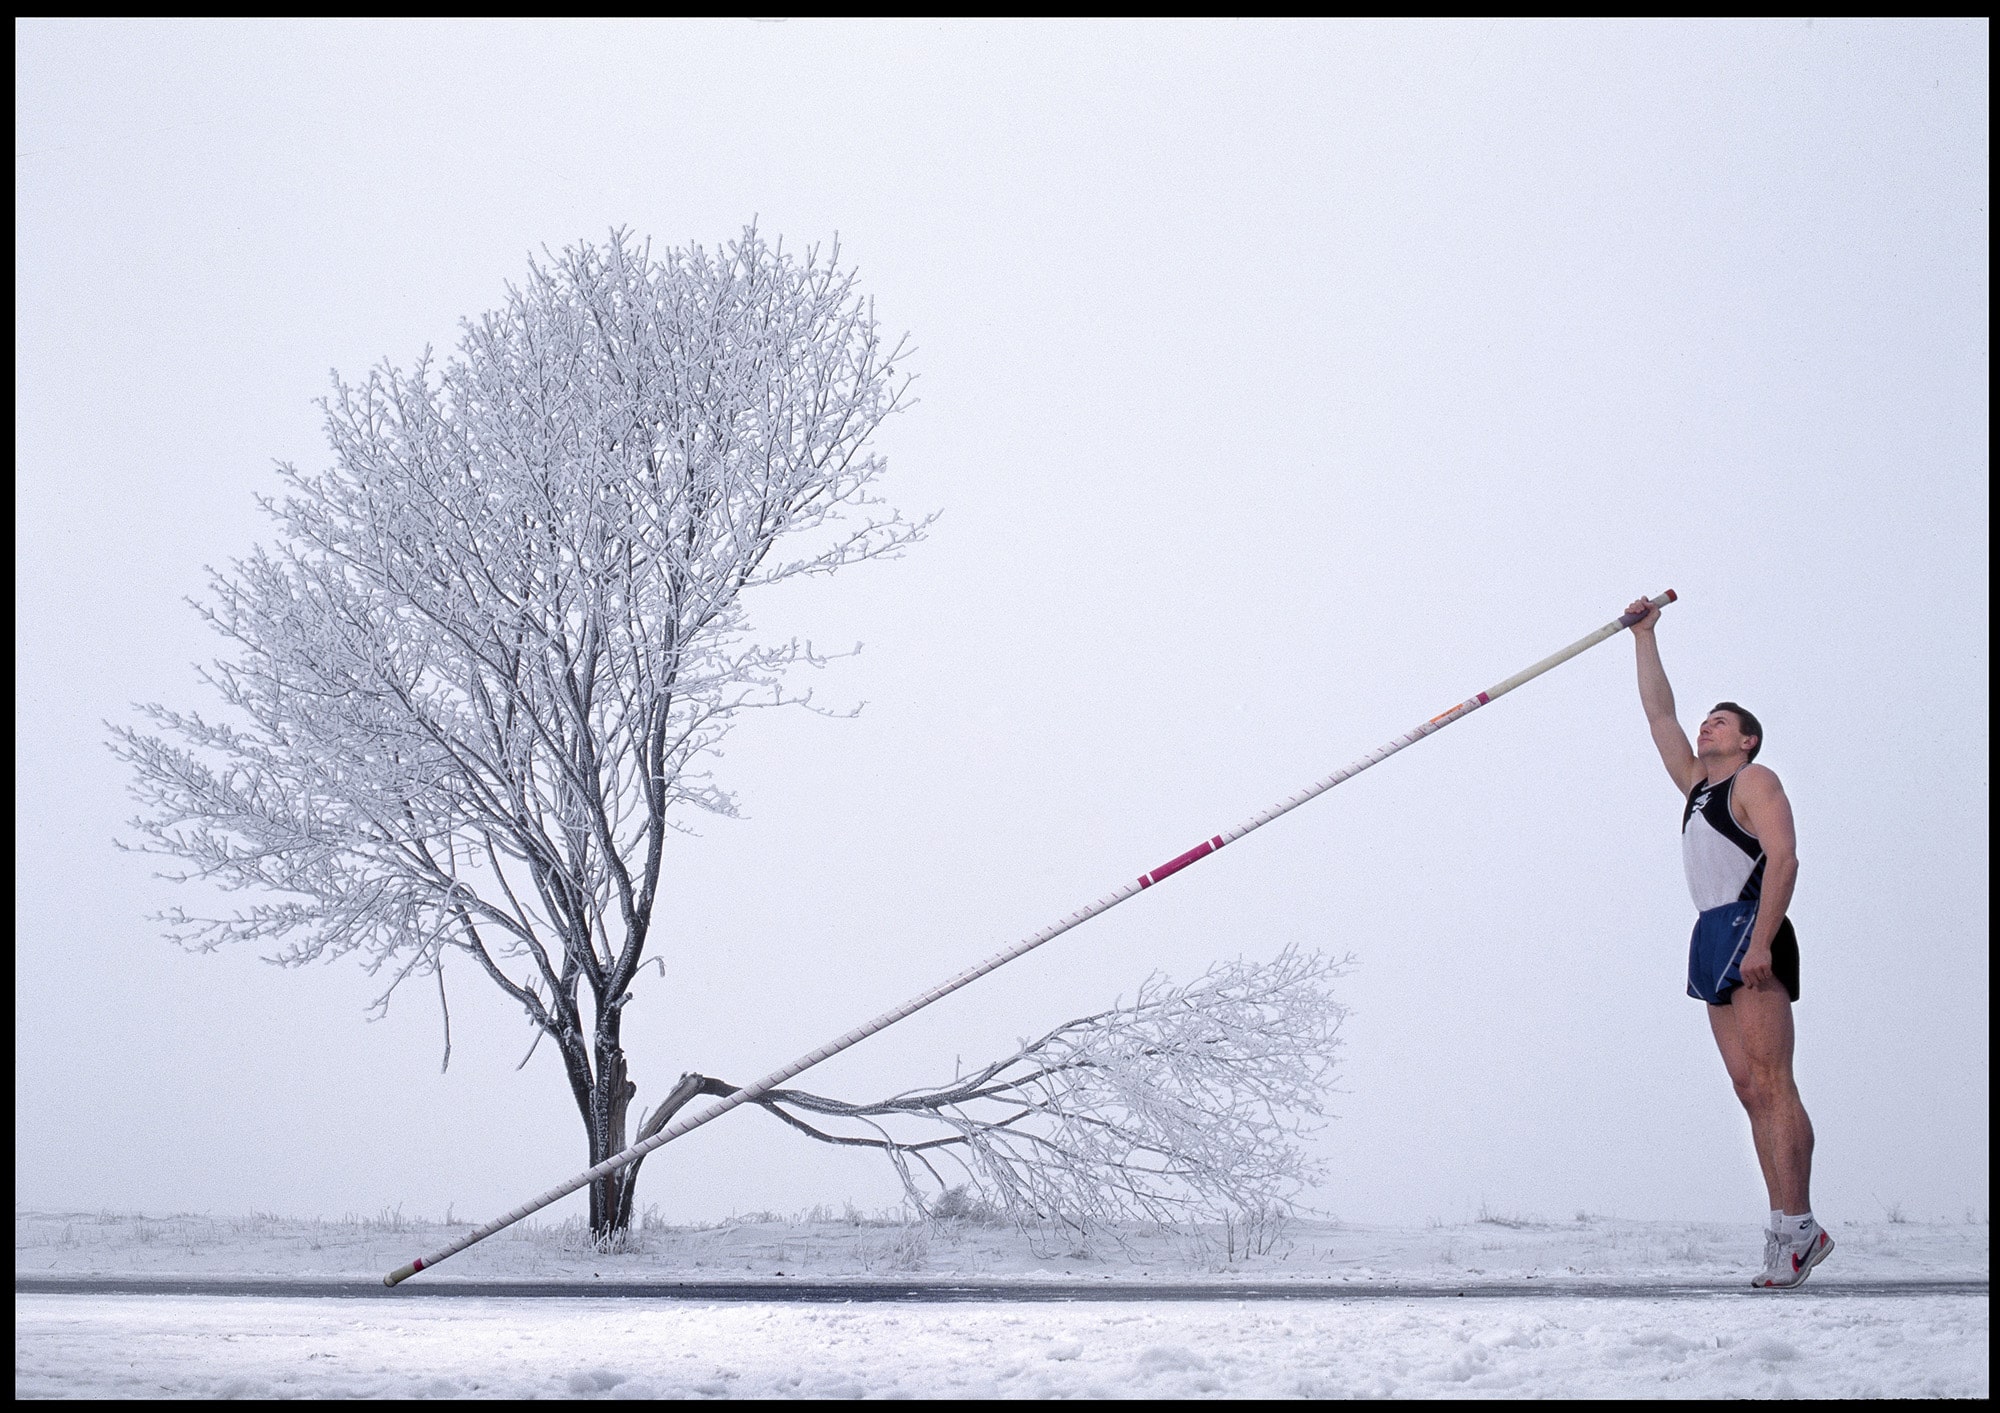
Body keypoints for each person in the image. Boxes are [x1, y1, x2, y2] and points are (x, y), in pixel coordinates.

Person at [1627, 597, 1833, 1289]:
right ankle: (1789, 1225)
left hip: (1752, 923)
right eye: (1708, 718)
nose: (1707, 723)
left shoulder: (1754, 781)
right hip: (1710, 932)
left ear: (1747, 740)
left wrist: (1763, 939)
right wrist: (1645, 638)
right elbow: (1660, 715)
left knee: (1775, 1083)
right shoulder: (1694, 784)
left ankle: (1796, 1226)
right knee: (1749, 1088)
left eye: (1723, 719)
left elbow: (1785, 857)